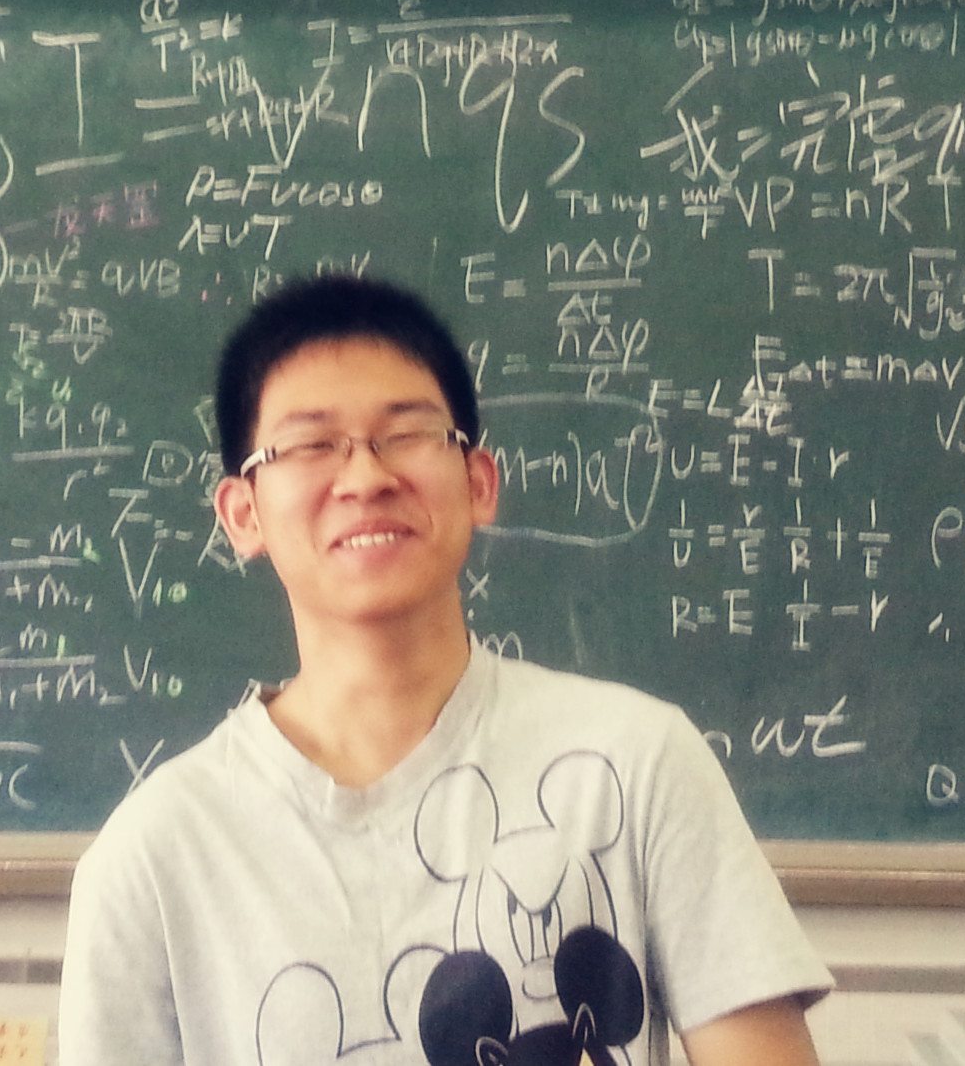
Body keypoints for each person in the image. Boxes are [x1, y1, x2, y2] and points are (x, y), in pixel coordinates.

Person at [62, 275, 830, 1066]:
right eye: (312, 445)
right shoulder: (154, 857)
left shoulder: (634, 765)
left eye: (408, 434)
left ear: (479, 482)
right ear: (242, 514)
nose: (366, 478)